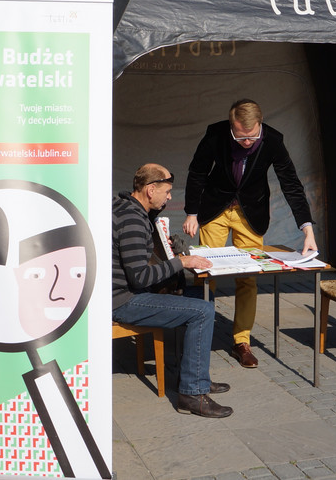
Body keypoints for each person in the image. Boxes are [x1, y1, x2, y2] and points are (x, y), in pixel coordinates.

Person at [183, 99, 317, 369]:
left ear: (260, 124)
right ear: (232, 125)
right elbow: (197, 172)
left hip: (250, 214)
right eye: (241, 137)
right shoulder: (215, 135)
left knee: (248, 277)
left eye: (252, 136)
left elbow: (290, 183)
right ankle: (196, 334)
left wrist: (307, 229)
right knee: (206, 274)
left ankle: (241, 341)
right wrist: (191, 213)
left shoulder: (273, 141)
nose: (247, 142)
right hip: (215, 210)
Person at [113, 164, 233, 418]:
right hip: (122, 300)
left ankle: (194, 374)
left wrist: (166, 249)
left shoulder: (129, 208)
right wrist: (181, 262)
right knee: (200, 311)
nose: (169, 197)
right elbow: (140, 277)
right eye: (166, 192)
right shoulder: (133, 219)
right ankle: (192, 394)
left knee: (204, 297)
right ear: (150, 189)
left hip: (127, 292)